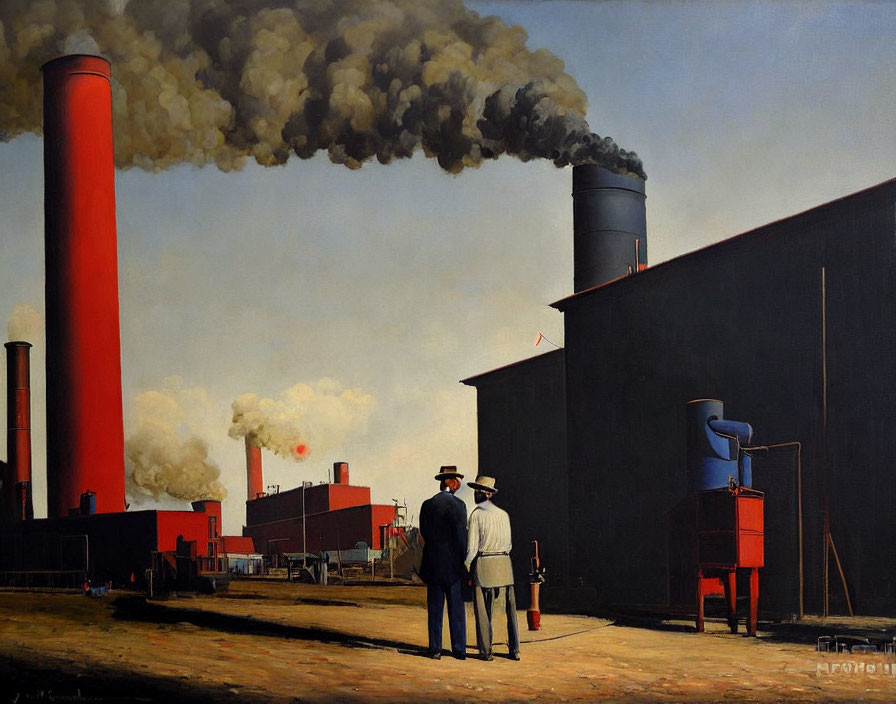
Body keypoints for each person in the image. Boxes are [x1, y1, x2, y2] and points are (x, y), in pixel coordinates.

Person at [465, 475, 520, 661]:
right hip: (504, 563)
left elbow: (472, 548)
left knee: (482, 610)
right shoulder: (504, 515)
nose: (475, 494)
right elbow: (510, 545)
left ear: (487, 494)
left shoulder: (476, 515)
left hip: (485, 563)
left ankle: (486, 651)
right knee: (510, 609)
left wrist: (466, 565)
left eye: (478, 491)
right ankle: (514, 649)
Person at [419, 465, 468, 660]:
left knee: (435, 608)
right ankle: (459, 649)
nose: (459, 485)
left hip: (433, 562)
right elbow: (461, 537)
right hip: (453, 565)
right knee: (456, 608)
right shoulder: (459, 505)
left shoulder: (426, 504)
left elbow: (424, 533)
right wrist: (462, 559)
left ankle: (435, 649)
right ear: (452, 482)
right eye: (458, 482)